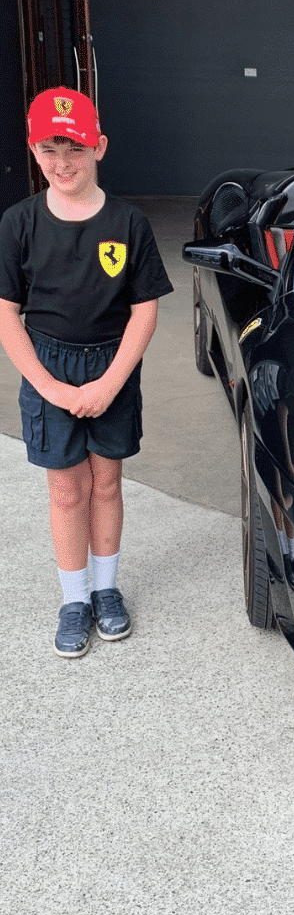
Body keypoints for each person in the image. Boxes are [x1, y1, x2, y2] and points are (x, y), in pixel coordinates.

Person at [0, 86, 173, 658]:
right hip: (48, 366)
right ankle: (73, 598)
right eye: (49, 150)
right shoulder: (19, 223)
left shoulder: (128, 222)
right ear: (32, 151)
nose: (62, 163)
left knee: (105, 482)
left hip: (110, 365)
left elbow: (145, 309)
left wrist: (110, 382)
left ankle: (106, 590)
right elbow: (7, 315)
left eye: (74, 147)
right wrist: (47, 386)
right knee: (66, 490)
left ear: (99, 146)